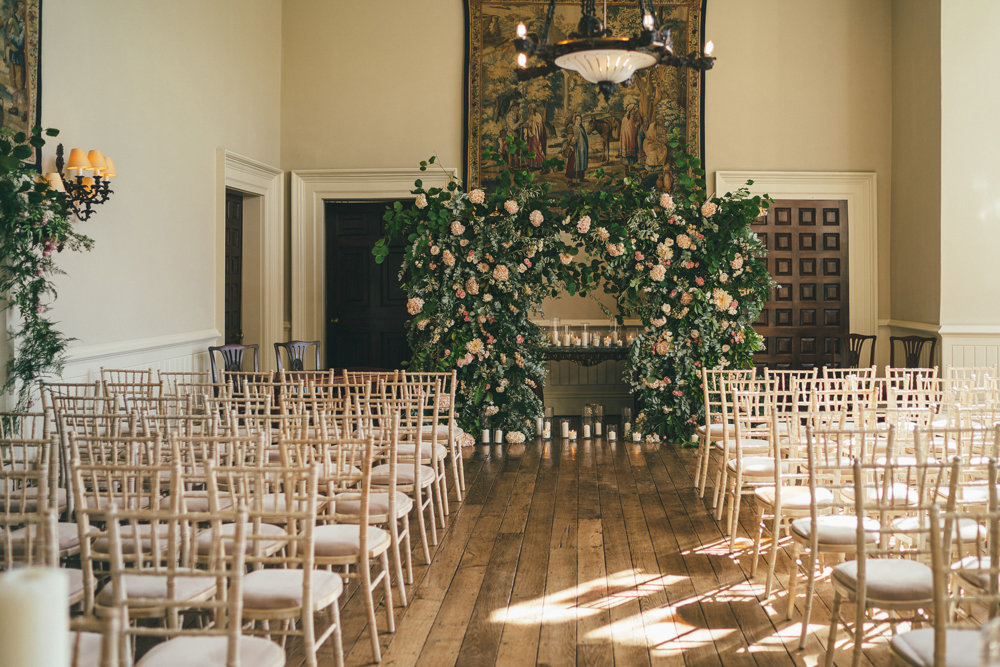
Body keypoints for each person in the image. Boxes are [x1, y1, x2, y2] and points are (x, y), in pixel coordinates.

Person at [563, 114, 589, 184]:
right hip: (575, 149)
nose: (579, 121)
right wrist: (572, 140)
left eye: (580, 119)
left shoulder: (582, 128)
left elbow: (585, 138)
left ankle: (581, 177)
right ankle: (571, 179)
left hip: (582, 149)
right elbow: (570, 139)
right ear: (574, 120)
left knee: (582, 162)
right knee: (573, 163)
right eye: (577, 119)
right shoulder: (571, 128)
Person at [524, 104, 546, 169]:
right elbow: (528, 123)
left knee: (535, 149)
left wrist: (534, 124)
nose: (530, 110)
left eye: (532, 109)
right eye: (529, 109)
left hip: (535, 134)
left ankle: (540, 163)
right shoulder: (530, 116)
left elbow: (540, 124)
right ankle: (533, 164)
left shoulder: (538, 115)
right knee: (531, 149)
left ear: (534, 109)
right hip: (530, 135)